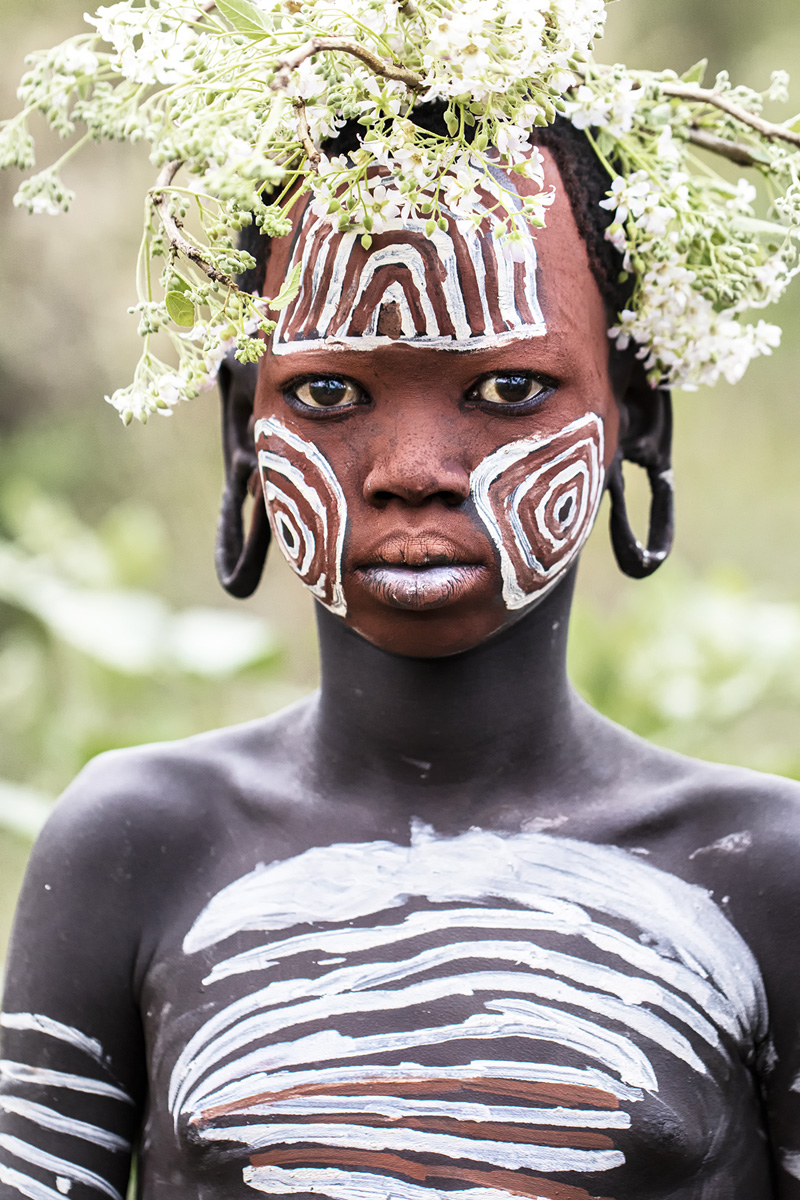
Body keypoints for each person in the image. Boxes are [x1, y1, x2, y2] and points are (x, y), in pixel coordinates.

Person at [2, 5, 800, 1198]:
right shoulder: (140, 844)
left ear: (634, 418)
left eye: (508, 388)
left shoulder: (761, 872)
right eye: (329, 390)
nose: (413, 465)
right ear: (242, 430)